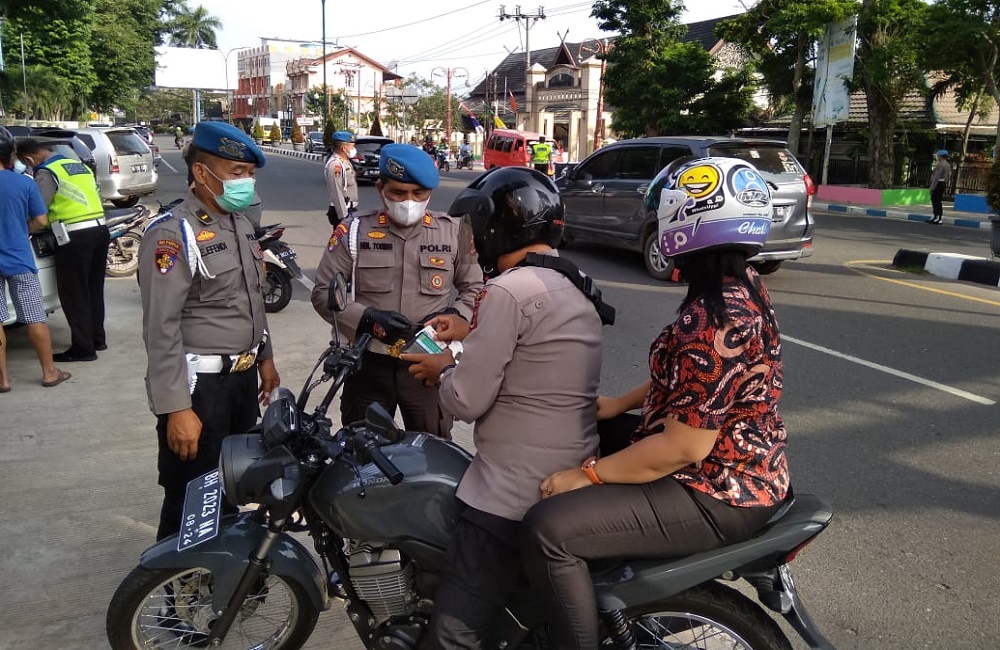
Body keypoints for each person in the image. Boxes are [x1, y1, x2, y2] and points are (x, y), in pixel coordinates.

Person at [520, 157, 791, 649]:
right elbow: (699, 382)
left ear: (684, 221)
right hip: (747, 463)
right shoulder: (742, 283)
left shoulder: (712, 317)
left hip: (719, 487)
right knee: (590, 432)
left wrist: (589, 476)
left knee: (546, 531)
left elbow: (682, 447)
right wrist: (616, 404)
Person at [400, 167, 615, 648]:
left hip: (509, 492)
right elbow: (537, 362)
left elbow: (466, 400)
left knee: (453, 631)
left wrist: (443, 370)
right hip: (572, 468)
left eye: (475, 230)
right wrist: (468, 340)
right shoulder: (571, 281)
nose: (471, 244)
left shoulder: (507, 291)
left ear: (501, 226)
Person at [137, 121, 280, 541]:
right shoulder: (173, 233)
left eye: (249, 173)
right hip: (200, 388)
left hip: (241, 379)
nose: (246, 182)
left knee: (232, 486)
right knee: (191, 495)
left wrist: (266, 359)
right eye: (236, 172)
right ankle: (174, 594)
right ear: (202, 173)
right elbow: (161, 329)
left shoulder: (238, 223)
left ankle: (223, 579)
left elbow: (252, 300)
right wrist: (176, 408)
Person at [310, 143, 483, 439]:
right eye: (398, 193)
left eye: (419, 194)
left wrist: (458, 316)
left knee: (432, 450)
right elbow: (324, 292)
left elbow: (475, 288)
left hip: (428, 365)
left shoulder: (454, 231)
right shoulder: (353, 231)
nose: (408, 202)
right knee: (361, 454)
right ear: (380, 189)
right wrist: (368, 319)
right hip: (369, 362)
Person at [17, 138, 109, 362]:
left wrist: (24, 226)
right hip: (99, 230)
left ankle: (83, 348)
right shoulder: (77, 165)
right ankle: (97, 339)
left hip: (73, 236)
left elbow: (40, 208)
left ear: (29, 158)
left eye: (26, 164)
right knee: (93, 289)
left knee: (73, 293)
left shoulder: (46, 172)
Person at [0, 127, 71, 392]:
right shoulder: (24, 183)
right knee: (34, 317)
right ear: (9, 156)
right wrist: (22, 228)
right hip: (19, 259)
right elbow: (41, 220)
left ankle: (3, 379)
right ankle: (49, 372)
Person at [323, 130, 358, 226]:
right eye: (352, 146)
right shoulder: (336, 165)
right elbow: (336, 192)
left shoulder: (345, 162)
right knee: (340, 240)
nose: (354, 149)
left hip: (350, 208)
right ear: (344, 148)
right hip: (342, 211)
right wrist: (344, 216)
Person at [929, 149, 951, 225]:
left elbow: (936, 177)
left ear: (941, 156)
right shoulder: (947, 165)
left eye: (938, 155)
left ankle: (937, 217)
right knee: (938, 200)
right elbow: (948, 176)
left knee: (935, 200)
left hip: (938, 183)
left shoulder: (940, 165)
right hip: (943, 183)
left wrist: (932, 188)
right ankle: (937, 217)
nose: (937, 157)